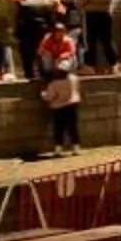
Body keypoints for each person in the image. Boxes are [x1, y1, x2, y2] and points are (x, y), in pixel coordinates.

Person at [35, 21, 79, 155]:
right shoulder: (73, 79)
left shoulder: (54, 84)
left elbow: (49, 96)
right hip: (72, 104)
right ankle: (75, 146)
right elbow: (40, 52)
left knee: (59, 127)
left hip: (58, 106)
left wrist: (42, 94)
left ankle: (59, 147)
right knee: (72, 126)